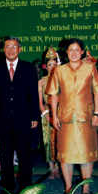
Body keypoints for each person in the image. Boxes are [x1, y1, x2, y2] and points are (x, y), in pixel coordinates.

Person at [47, 38, 98, 194]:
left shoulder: (90, 68)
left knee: (87, 154)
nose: (73, 53)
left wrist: (97, 113)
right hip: (65, 118)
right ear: (66, 52)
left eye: (77, 50)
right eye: (70, 50)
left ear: (82, 52)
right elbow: (53, 94)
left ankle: (86, 188)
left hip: (86, 117)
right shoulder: (59, 70)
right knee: (66, 156)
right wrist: (54, 115)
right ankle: (69, 189)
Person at [0, 36, 39, 194]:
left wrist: (34, 116)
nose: (11, 49)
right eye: (8, 46)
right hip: (3, 119)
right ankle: (7, 186)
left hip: (23, 118)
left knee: (24, 154)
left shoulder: (28, 68)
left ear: (20, 49)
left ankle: (25, 187)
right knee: (6, 155)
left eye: (14, 47)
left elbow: (33, 94)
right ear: (3, 49)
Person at [38, 46, 61, 179]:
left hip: (59, 114)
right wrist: (46, 114)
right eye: (49, 64)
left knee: (60, 140)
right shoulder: (41, 82)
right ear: (45, 66)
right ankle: (51, 166)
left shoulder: (61, 80)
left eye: (54, 64)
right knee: (47, 140)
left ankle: (59, 165)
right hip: (46, 114)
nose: (52, 67)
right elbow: (39, 102)